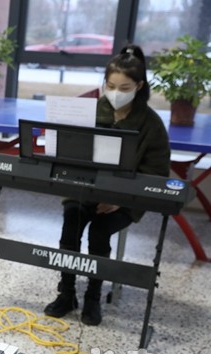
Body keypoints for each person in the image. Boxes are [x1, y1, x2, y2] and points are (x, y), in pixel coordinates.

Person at [44, 45, 171, 326]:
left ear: (138, 86)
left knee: (100, 232)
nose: (115, 93)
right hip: (83, 190)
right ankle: (66, 293)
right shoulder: (88, 111)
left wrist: (120, 200)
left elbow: (157, 172)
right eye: (110, 86)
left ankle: (93, 297)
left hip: (126, 199)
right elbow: (68, 152)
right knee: (71, 223)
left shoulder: (151, 124)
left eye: (124, 88)